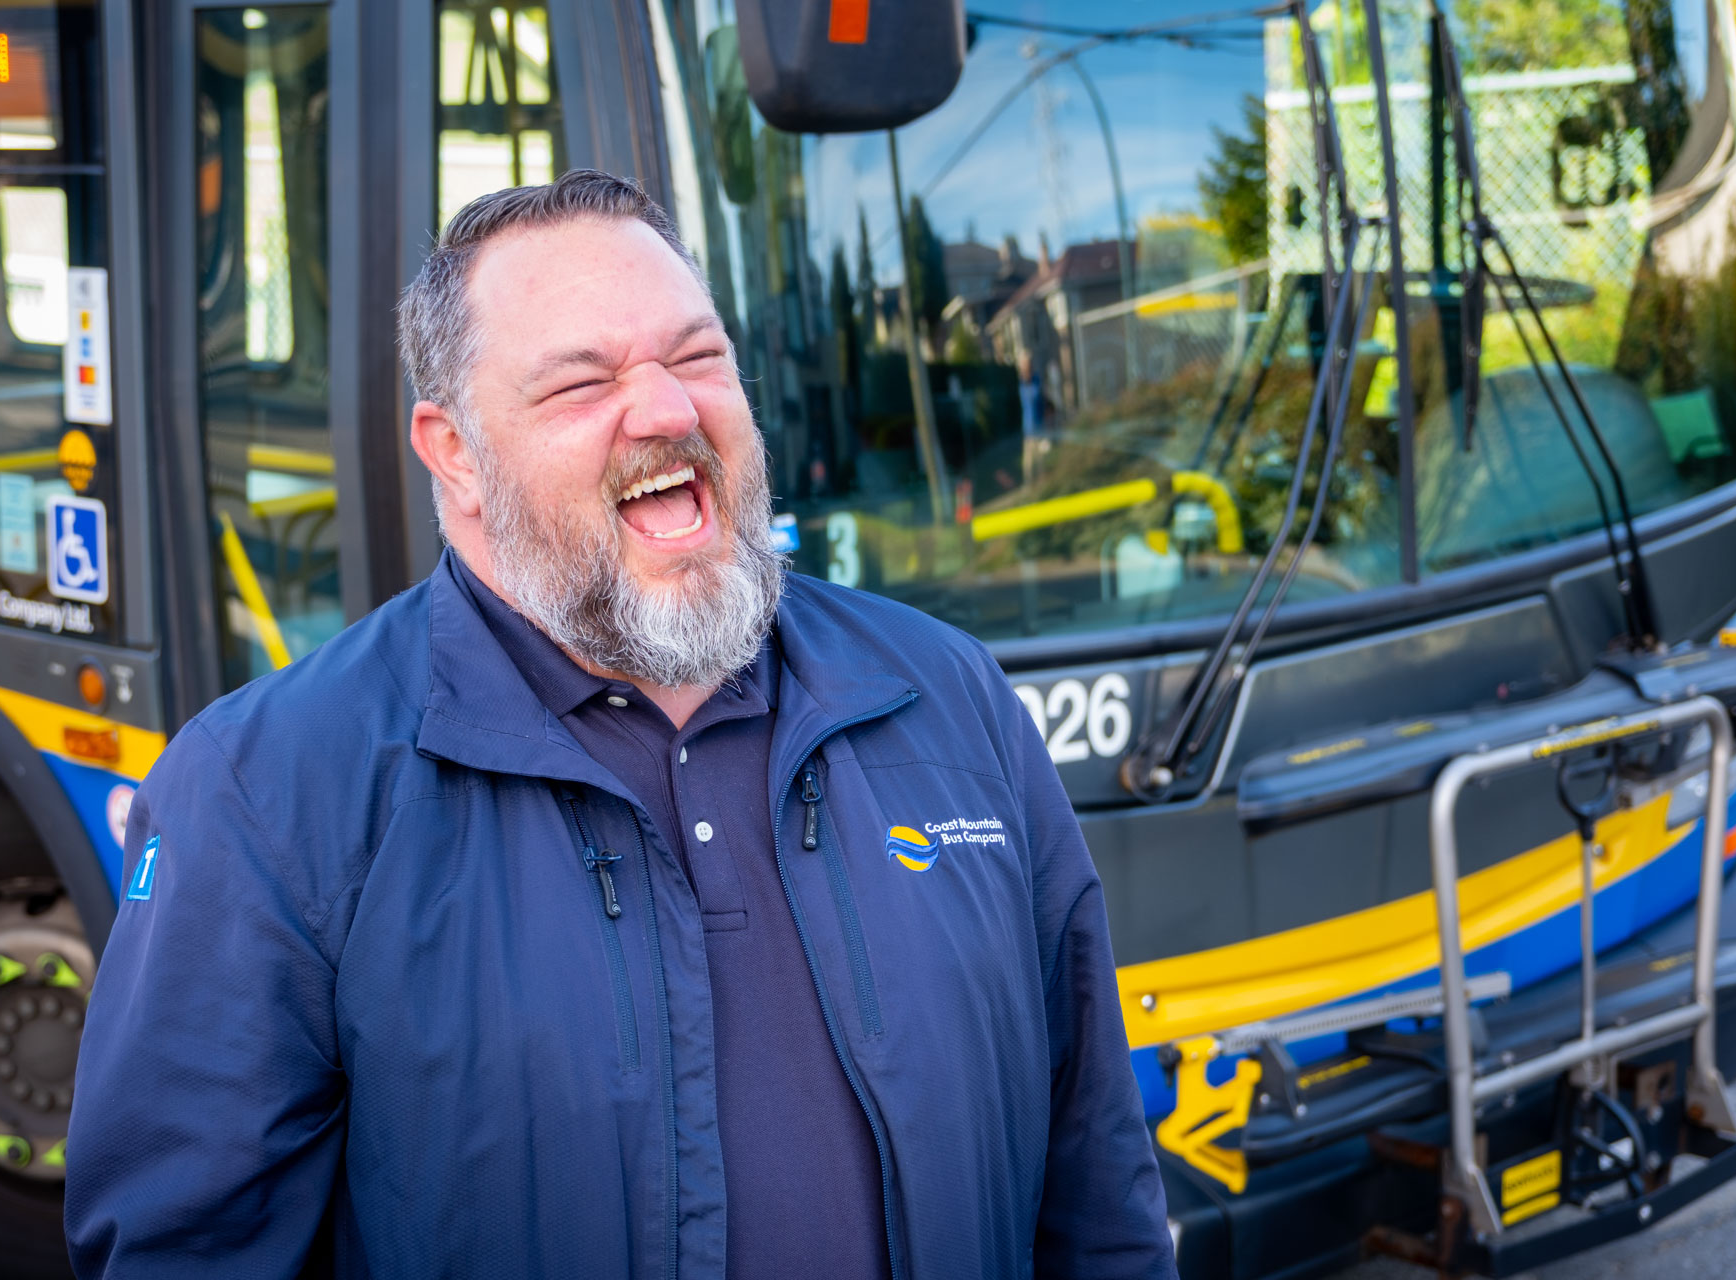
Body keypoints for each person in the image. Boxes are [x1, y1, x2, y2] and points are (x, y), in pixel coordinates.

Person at [65, 170, 1175, 1279]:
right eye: (581, 382)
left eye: (697, 358)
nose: (667, 410)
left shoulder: (949, 692)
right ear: (454, 452)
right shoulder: (266, 789)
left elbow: (1095, 1169)